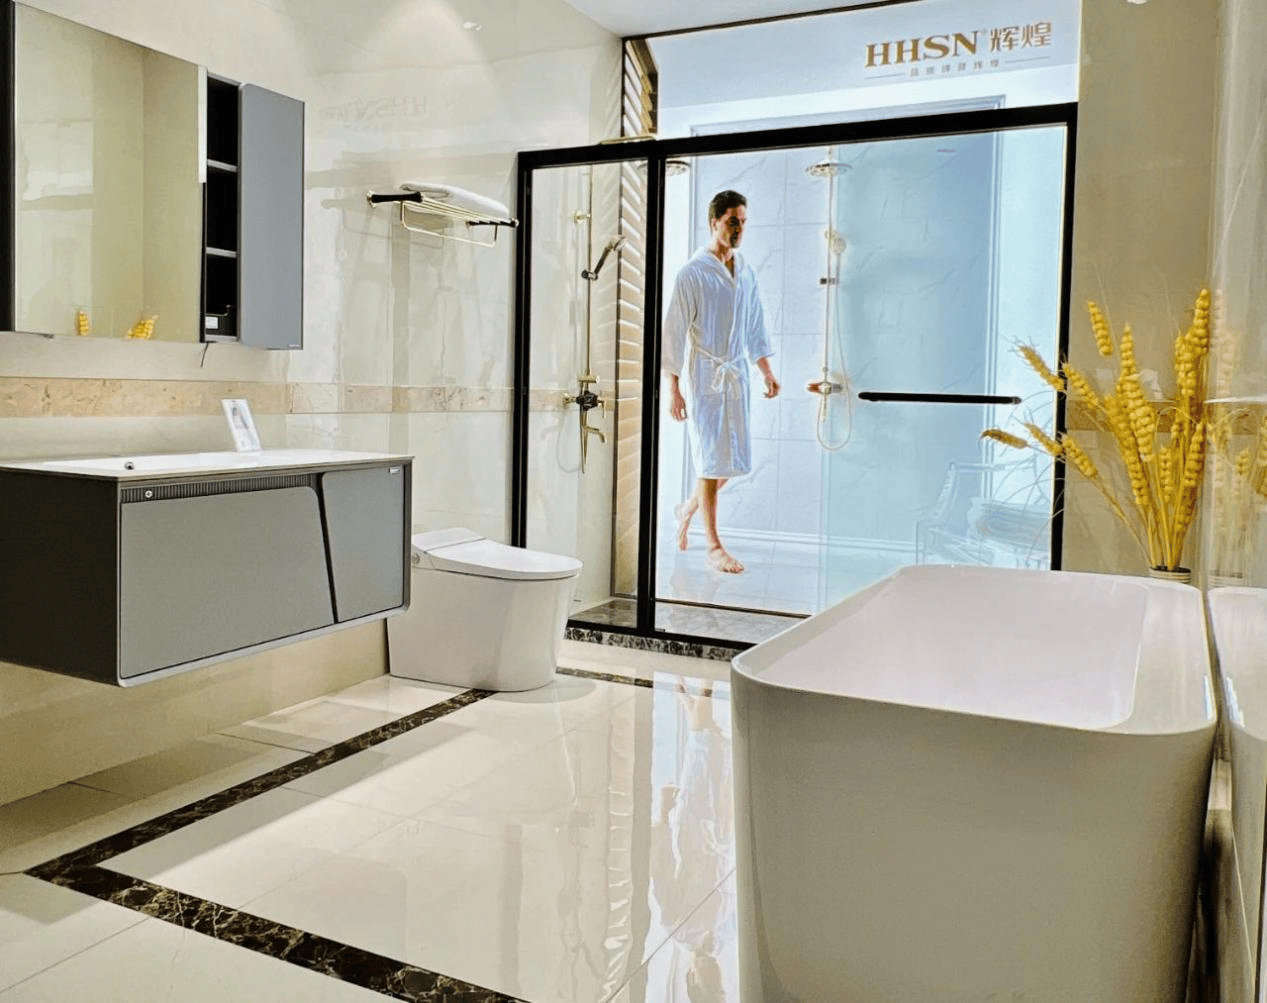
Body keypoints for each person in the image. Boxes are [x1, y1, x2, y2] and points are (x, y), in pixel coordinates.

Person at [663, 190, 779, 574]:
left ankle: (688, 508)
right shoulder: (692, 273)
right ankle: (713, 545)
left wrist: (766, 370)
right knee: (710, 461)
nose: (739, 228)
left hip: (736, 375)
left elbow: (755, 325)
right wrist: (674, 389)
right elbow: (673, 333)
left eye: (743, 221)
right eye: (732, 221)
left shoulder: (746, 272)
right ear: (714, 222)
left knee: (731, 460)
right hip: (705, 376)